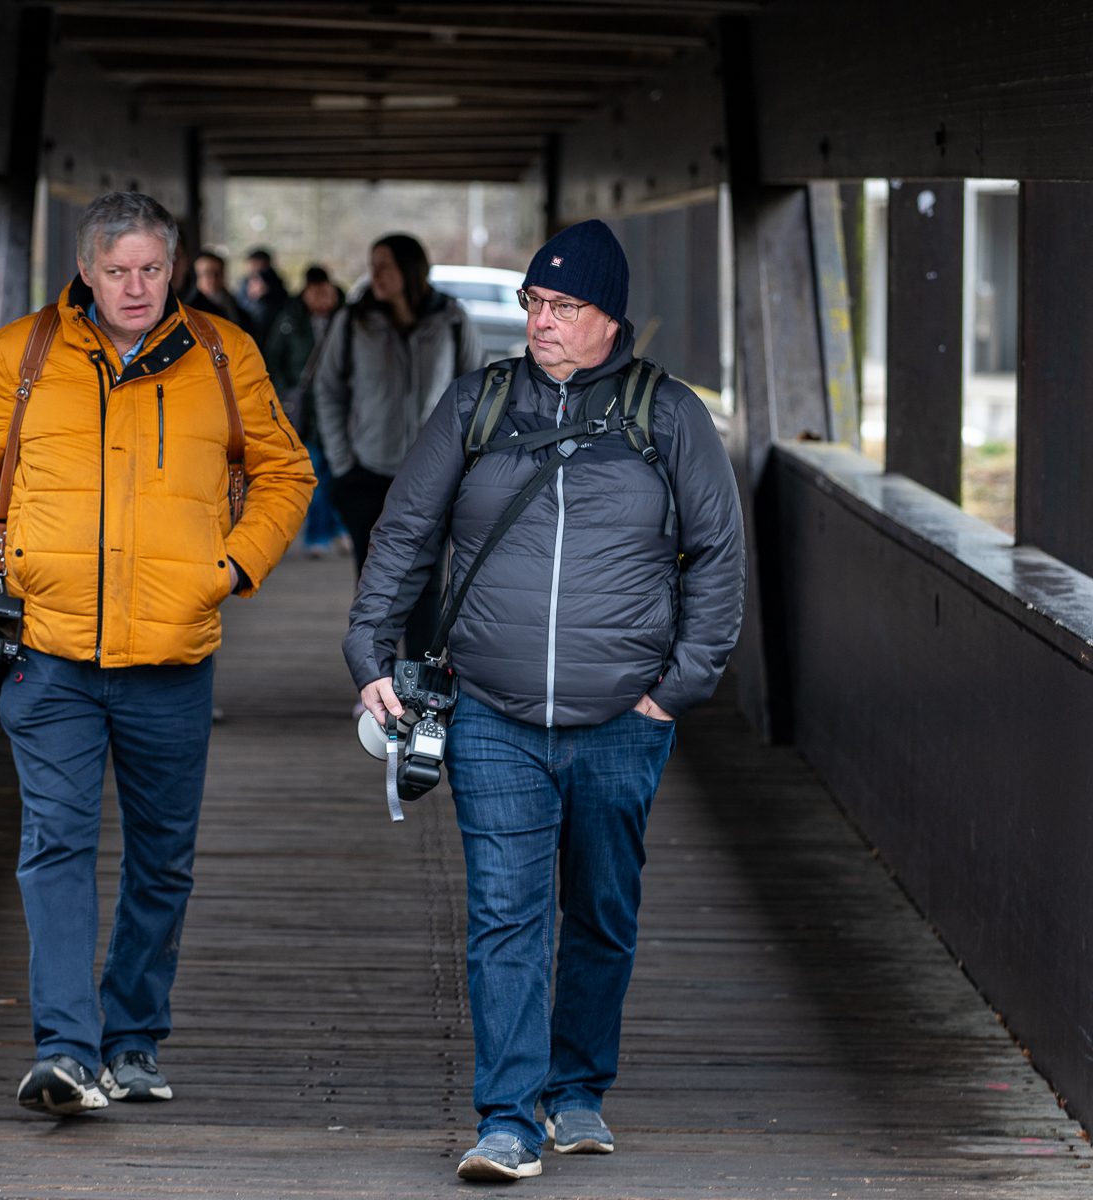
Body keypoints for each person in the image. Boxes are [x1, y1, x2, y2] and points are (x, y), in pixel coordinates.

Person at [344, 219, 745, 1181]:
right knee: (505, 912)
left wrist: (680, 687)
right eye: (534, 302)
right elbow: (405, 530)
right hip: (492, 711)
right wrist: (368, 648)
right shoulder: (477, 404)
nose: (543, 322)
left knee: (600, 912)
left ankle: (577, 1089)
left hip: (623, 718)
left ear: (612, 318)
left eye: (566, 306)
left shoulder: (669, 415)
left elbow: (719, 555)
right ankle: (508, 1120)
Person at [0, 191, 314, 1117]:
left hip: (172, 658)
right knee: (55, 844)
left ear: (173, 268)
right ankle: (65, 1049)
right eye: (117, 270)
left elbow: (286, 473)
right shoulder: (25, 353)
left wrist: (231, 568)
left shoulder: (224, 354)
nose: (136, 288)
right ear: (85, 271)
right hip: (46, 653)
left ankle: (133, 1037)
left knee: (161, 858)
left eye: (152, 269)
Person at [315, 233, 481, 655]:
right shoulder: (353, 321)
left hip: (431, 477)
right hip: (366, 473)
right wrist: (342, 460)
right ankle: (376, 679)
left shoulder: (451, 318)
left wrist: (461, 458)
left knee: (426, 585)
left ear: (410, 269)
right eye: (372, 266)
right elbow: (327, 388)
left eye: (385, 266)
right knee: (374, 586)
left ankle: (418, 682)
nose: (375, 275)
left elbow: (476, 392)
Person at [263, 265, 346, 555]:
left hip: (341, 411)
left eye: (327, 293)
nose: (322, 300)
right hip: (305, 414)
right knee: (316, 474)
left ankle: (340, 528)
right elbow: (272, 361)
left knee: (340, 472)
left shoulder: (347, 320)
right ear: (306, 293)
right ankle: (318, 535)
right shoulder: (290, 320)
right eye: (316, 294)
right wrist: (286, 392)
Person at [184, 248, 253, 339]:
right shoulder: (190, 311)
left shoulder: (236, 305)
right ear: (196, 276)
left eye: (217, 274)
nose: (213, 279)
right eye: (207, 274)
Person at [235, 247, 290, 333]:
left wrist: (267, 291)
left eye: (257, 263)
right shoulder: (245, 281)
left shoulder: (275, 282)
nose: (254, 267)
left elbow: (284, 301)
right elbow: (240, 302)